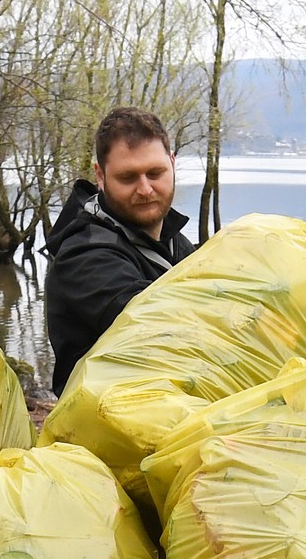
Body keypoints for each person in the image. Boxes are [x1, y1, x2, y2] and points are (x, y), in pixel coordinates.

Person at [43, 106, 197, 390]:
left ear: (172, 164)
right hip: (103, 425)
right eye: (128, 177)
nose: (146, 189)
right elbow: (156, 327)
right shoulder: (84, 255)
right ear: (100, 176)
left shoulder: (175, 243)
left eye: (155, 173)